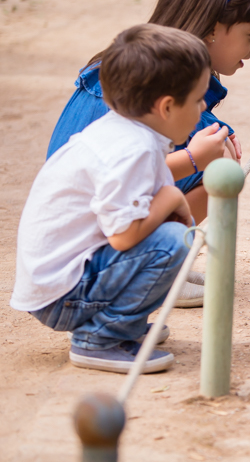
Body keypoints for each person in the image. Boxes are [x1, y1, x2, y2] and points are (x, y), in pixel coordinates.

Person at [45, 0, 250, 307]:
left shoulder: (139, 66)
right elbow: (123, 172)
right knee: (219, 162)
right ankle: (150, 272)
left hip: (83, 221)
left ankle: (158, 263)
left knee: (214, 151)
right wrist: (202, 154)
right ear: (213, 28)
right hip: (83, 245)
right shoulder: (162, 90)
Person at [11, 24, 211, 373]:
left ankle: (122, 327)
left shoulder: (126, 132)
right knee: (173, 241)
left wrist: (168, 201)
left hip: (64, 281)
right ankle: (100, 338)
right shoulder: (131, 150)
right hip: (62, 296)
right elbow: (124, 236)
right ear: (166, 107)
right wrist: (170, 198)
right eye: (197, 99)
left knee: (168, 233)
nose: (204, 105)